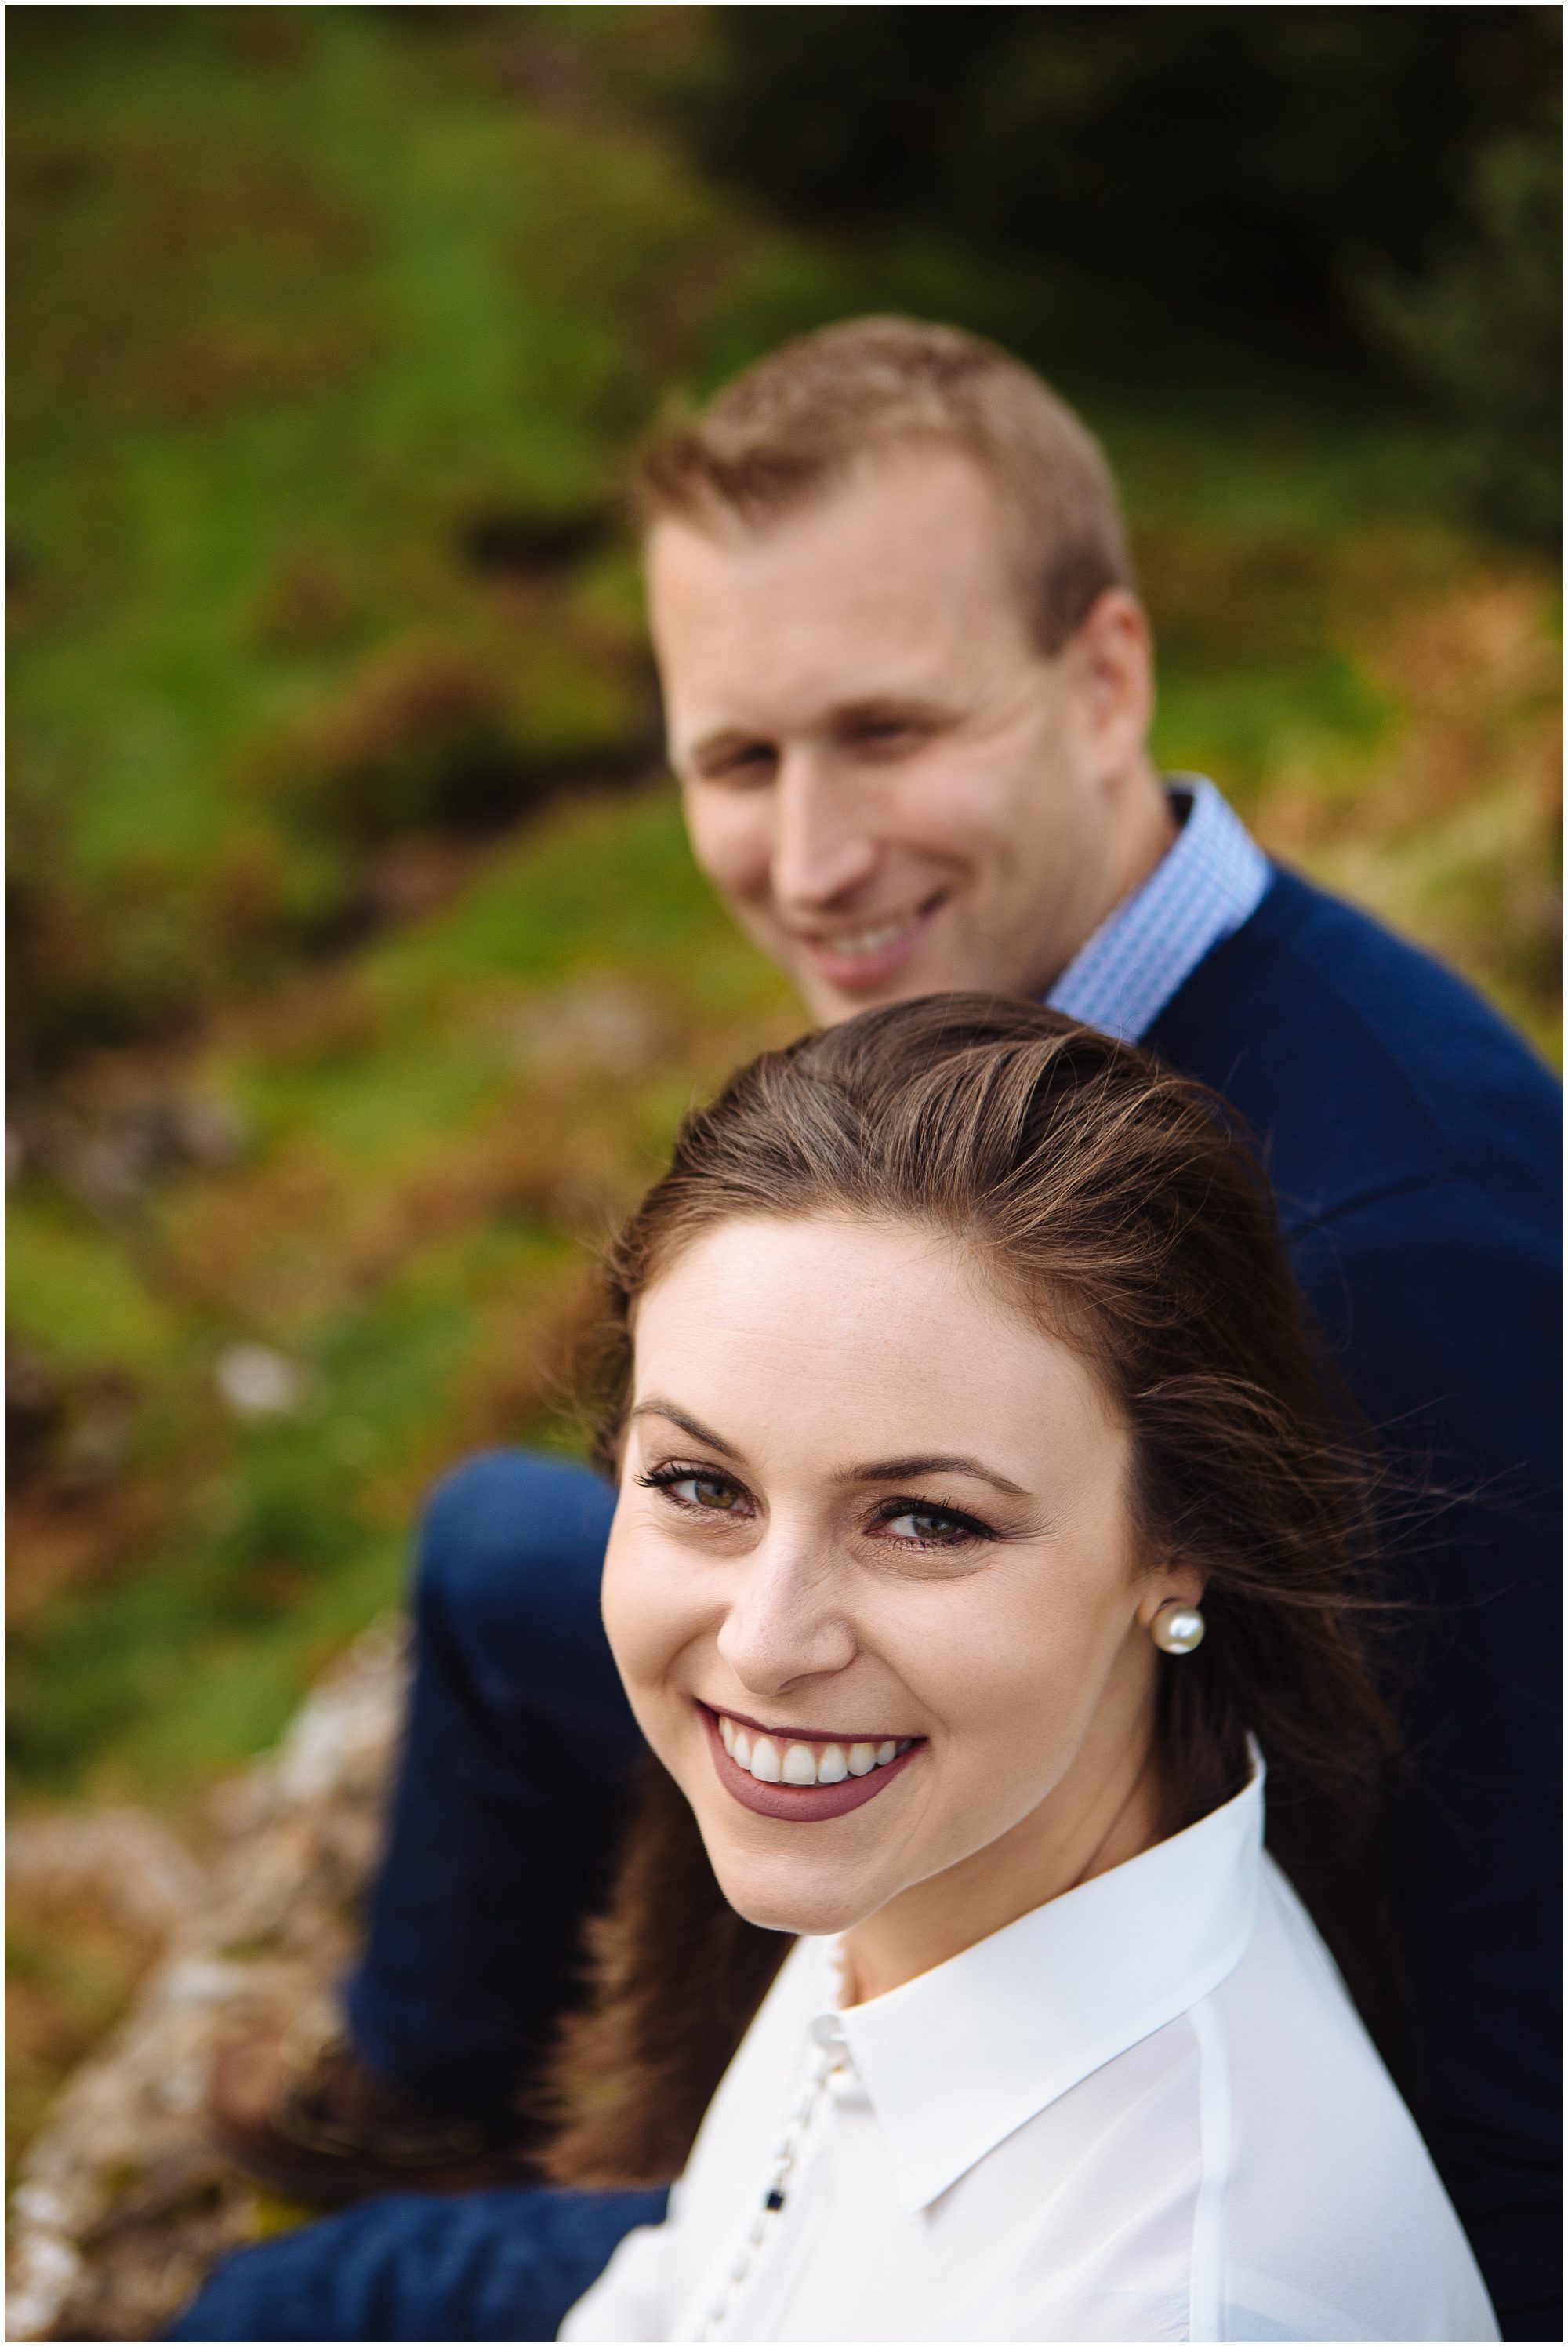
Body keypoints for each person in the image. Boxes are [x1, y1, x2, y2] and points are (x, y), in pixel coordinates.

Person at [206, 320, 1560, 2338]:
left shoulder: (1410, 1250)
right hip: (957, 1931)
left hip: (1105, 2074)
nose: (815, 863)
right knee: (503, 1563)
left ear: (1104, 680)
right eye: (738, 762)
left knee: (274, 2316)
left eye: (887, 733)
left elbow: (1509, 2042)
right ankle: (427, 2100)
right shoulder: (1014, 1001)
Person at [177, 999, 1500, 2342]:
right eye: (700, 1481)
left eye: (927, 1520)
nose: (763, 1642)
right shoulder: (948, 1864)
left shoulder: (1168, 2302)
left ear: (1178, 1548)